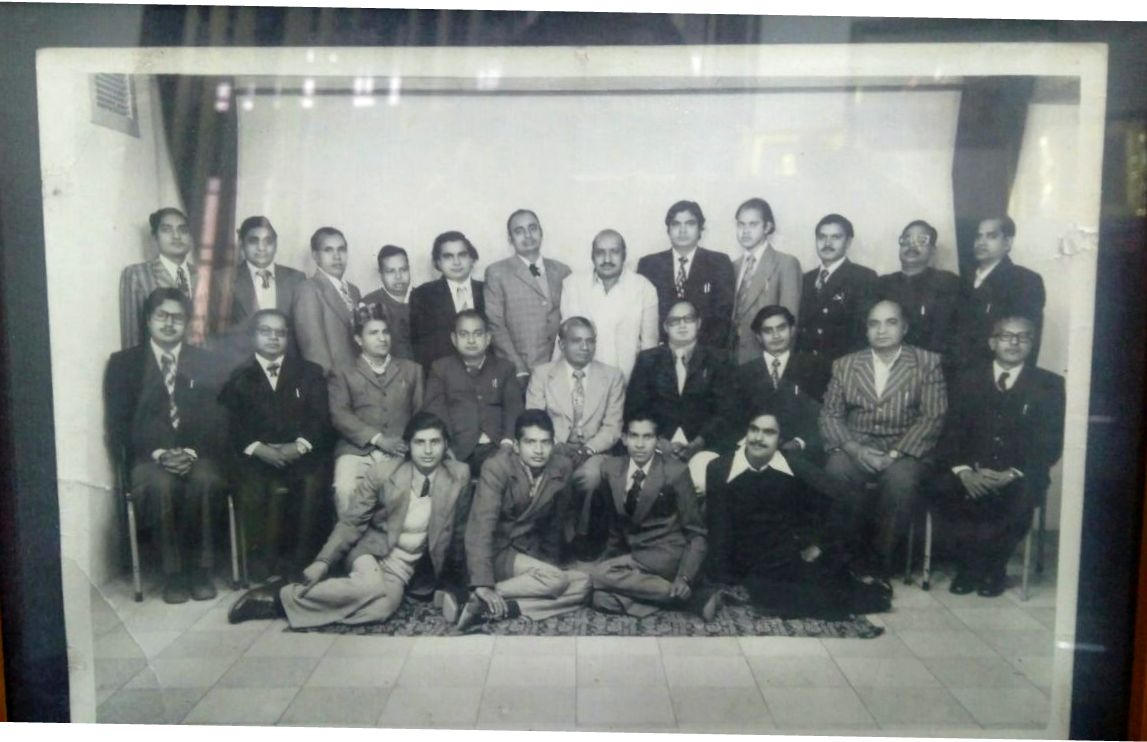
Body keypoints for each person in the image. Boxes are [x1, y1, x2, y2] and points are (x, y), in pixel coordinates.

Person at [226, 412, 474, 628]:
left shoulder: (458, 475)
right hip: (371, 552)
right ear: (408, 445)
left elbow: (459, 532)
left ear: (445, 445)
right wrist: (322, 562)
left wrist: (457, 584)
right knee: (370, 587)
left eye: (435, 442)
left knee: (381, 610)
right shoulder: (383, 472)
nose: (428, 450)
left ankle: (293, 605)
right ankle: (280, 597)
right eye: (420, 442)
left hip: (402, 569)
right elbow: (351, 523)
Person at [104, 288, 228, 603]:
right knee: (161, 485)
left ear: (187, 323)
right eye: (162, 316)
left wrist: (190, 451)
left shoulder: (205, 362)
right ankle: (174, 574)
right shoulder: (123, 364)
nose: (169, 323)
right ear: (148, 320)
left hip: (197, 454)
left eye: (177, 317)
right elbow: (119, 424)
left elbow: (216, 417)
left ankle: (201, 570)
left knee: (206, 480)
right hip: (149, 457)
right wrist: (159, 453)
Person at [706, 411, 892, 620]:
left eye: (769, 433)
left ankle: (856, 593)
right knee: (770, 594)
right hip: (741, 559)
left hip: (783, 556)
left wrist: (820, 544)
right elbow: (717, 525)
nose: (758, 438)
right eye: (754, 430)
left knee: (804, 591)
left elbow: (845, 499)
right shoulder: (719, 468)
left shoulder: (794, 466)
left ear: (780, 440)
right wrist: (721, 575)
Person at [930, 315, 1064, 597]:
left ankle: (994, 567)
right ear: (992, 342)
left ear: (1032, 343)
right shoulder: (966, 379)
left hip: (1020, 471)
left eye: (1023, 337)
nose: (1014, 342)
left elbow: (1050, 442)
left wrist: (1012, 472)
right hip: (970, 468)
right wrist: (965, 472)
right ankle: (968, 565)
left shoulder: (1049, 384)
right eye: (1006, 336)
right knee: (942, 488)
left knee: (1023, 494)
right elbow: (951, 433)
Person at [819, 300, 947, 577]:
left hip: (906, 449)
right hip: (857, 445)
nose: (882, 330)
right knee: (837, 470)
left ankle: (880, 561)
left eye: (891, 322)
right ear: (866, 330)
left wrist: (894, 454)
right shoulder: (845, 365)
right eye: (874, 324)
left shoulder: (927, 362)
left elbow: (932, 416)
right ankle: (843, 557)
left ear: (905, 328)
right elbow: (830, 415)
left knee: (900, 482)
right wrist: (855, 450)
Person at [218, 309, 333, 582]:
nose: (273, 337)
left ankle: (299, 562)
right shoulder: (237, 375)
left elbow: (319, 418)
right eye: (265, 331)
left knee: (311, 483)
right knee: (252, 487)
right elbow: (231, 424)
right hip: (256, 455)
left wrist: (300, 446)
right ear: (252, 336)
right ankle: (260, 561)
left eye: (280, 333)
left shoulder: (309, 372)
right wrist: (259, 449)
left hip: (300, 454)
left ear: (288, 338)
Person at [456, 410, 592, 629]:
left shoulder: (561, 466)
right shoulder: (496, 467)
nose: (539, 450)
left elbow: (555, 523)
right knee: (556, 581)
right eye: (531, 442)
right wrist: (483, 583)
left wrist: (547, 565)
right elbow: (480, 529)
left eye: (545, 443)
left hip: (529, 550)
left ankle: (499, 607)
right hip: (498, 552)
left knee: (583, 583)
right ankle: (482, 594)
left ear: (553, 444)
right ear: (517, 446)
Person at [586, 413, 720, 620]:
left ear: (658, 441)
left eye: (647, 437)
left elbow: (697, 532)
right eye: (634, 436)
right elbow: (615, 524)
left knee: (596, 576)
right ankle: (690, 599)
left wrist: (685, 577)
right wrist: (611, 557)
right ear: (624, 439)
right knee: (601, 599)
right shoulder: (610, 468)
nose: (640, 444)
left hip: (668, 555)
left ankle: (679, 590)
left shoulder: (675, 471)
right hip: (636, 554)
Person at [328, 305, 424, 517]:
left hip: (399, 448)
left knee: (404, 494)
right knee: (344, 489)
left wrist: (407, 443)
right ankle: (350, 538)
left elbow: (420, 415)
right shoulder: (343, 372)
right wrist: (378, 439)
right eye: (373, 333)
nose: (382, 338)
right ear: (358, 339)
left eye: (385, 332)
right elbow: (340, 415)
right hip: (356, 451)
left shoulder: (411, 370)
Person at [624, 300, 729, 463]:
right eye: (674, 321)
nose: (682, 325)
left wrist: (698, 444)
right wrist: (659, 442)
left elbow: (725, 412)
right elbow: (636, 408)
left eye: (689, 319)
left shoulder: (719, 360)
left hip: (704, 449)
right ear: (665, 327)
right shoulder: (647, 360)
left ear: (699, 323)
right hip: (655, 448)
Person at [423, 309, 525, 477]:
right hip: (457, 449)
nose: (471, 340)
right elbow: (435, 410)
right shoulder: (440, 369)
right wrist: (446, 446)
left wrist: (507, 443)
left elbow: (513, 409)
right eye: (464, 334)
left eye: (477, 334)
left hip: (498, 448)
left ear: (488, 338)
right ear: (454, 339)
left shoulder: (504, 368)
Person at [723, 306, 830, 458]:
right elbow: (734, 419)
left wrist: (799, 442)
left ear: (792, 330)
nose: (776, 335)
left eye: (781, 328)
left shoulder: (812, 368)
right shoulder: (743, 373)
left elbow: (820, 414)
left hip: (798, 452)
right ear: (759, 337)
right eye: (768, 331)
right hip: (753, 449)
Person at [484, 209, 572, 385]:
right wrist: (518, 368)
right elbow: (496, 325)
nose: (528, 235)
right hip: (522, 371)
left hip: (561, 367)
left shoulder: (562, 271)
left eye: (532, 228)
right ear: (510, 239)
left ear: (541, 232)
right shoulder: (497, 272)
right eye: (519, 231)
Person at [558, 229, 659, 380]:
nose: (607, 259)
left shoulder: (644, 288)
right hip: (581, 381)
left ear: (624, 255)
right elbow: (564, 339)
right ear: (592, 256)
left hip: (627, 381)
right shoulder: (573, 285)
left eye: (614, 252)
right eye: (600, 252)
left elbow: (649, 348)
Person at [637, 200, 736, 349]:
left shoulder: (719, 263)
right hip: (660, 353)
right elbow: (643, 320)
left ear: (700, 229)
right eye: (676, 224)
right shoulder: (649, 265)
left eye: (690, 223)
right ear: (668, 230)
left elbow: (722, 319)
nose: (682, 230)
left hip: (706, 353)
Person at [209, 216, 307, 366]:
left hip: (288, 366)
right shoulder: (222, 279)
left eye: (268, 241)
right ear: (242, 244)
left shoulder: (296, 278)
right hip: (240, 367)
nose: (262, 248)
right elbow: (216, 332)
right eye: (253, 241)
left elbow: (303, 332)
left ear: (276, 244)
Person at [954, 216, 1046, 368]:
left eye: (991, 236)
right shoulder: (963, 280)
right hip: (957, 374)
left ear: (1007, 243)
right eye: (978, 237)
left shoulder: (1024, 281)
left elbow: (1024, 341)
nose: (981, 242)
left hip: (996, 376)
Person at [729, 198, 803, 364]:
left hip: (765, 360)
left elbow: (789, 323)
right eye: (741, 225)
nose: (745, 231)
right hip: (731, 359)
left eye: (753, 224)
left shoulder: (785, 264)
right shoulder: (732, 266)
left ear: (767, 227)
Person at [796, 213, 878, 361]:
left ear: (848, 242)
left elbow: (864, 332)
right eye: (822, 237)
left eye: (836, 237)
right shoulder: (805, 279)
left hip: (842, 366)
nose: (827, 243)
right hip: (805, 366)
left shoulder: (863, 277)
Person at [875, 219, 960, 360]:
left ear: (932, 250)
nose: (911, 245)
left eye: (921, 240)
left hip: (935, 364)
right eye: (906, 240)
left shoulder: (948, 283)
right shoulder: (882, 284)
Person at [119, 208, 201, 349]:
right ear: (155, 237)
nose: (176, 236)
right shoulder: (137, 275)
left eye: (183, 230)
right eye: (167, 230)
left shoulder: (203, 276)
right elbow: (131, 340)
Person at [409, 231, 486, 371]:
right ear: (438, 262)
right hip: (442, 376)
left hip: (486, 373)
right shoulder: (422, 295)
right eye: (448, 256)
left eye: (462, 255)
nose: (456, 262)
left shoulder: (488, 290)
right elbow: (419, 348)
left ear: (472, 259)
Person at [292, 226, 362, 375]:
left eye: (341, 249)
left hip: (361, 379)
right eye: (328, 250)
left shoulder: (354, 291)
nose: (337, 256)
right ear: (315, 256)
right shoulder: (308, 290)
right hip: (335, 382)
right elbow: (314, 352)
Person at [360, 244, 414, 361]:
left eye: (403, 269)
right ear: (381, 274)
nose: (398, 277)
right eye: (390, 271)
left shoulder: (423, 297)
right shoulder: (369, 304)